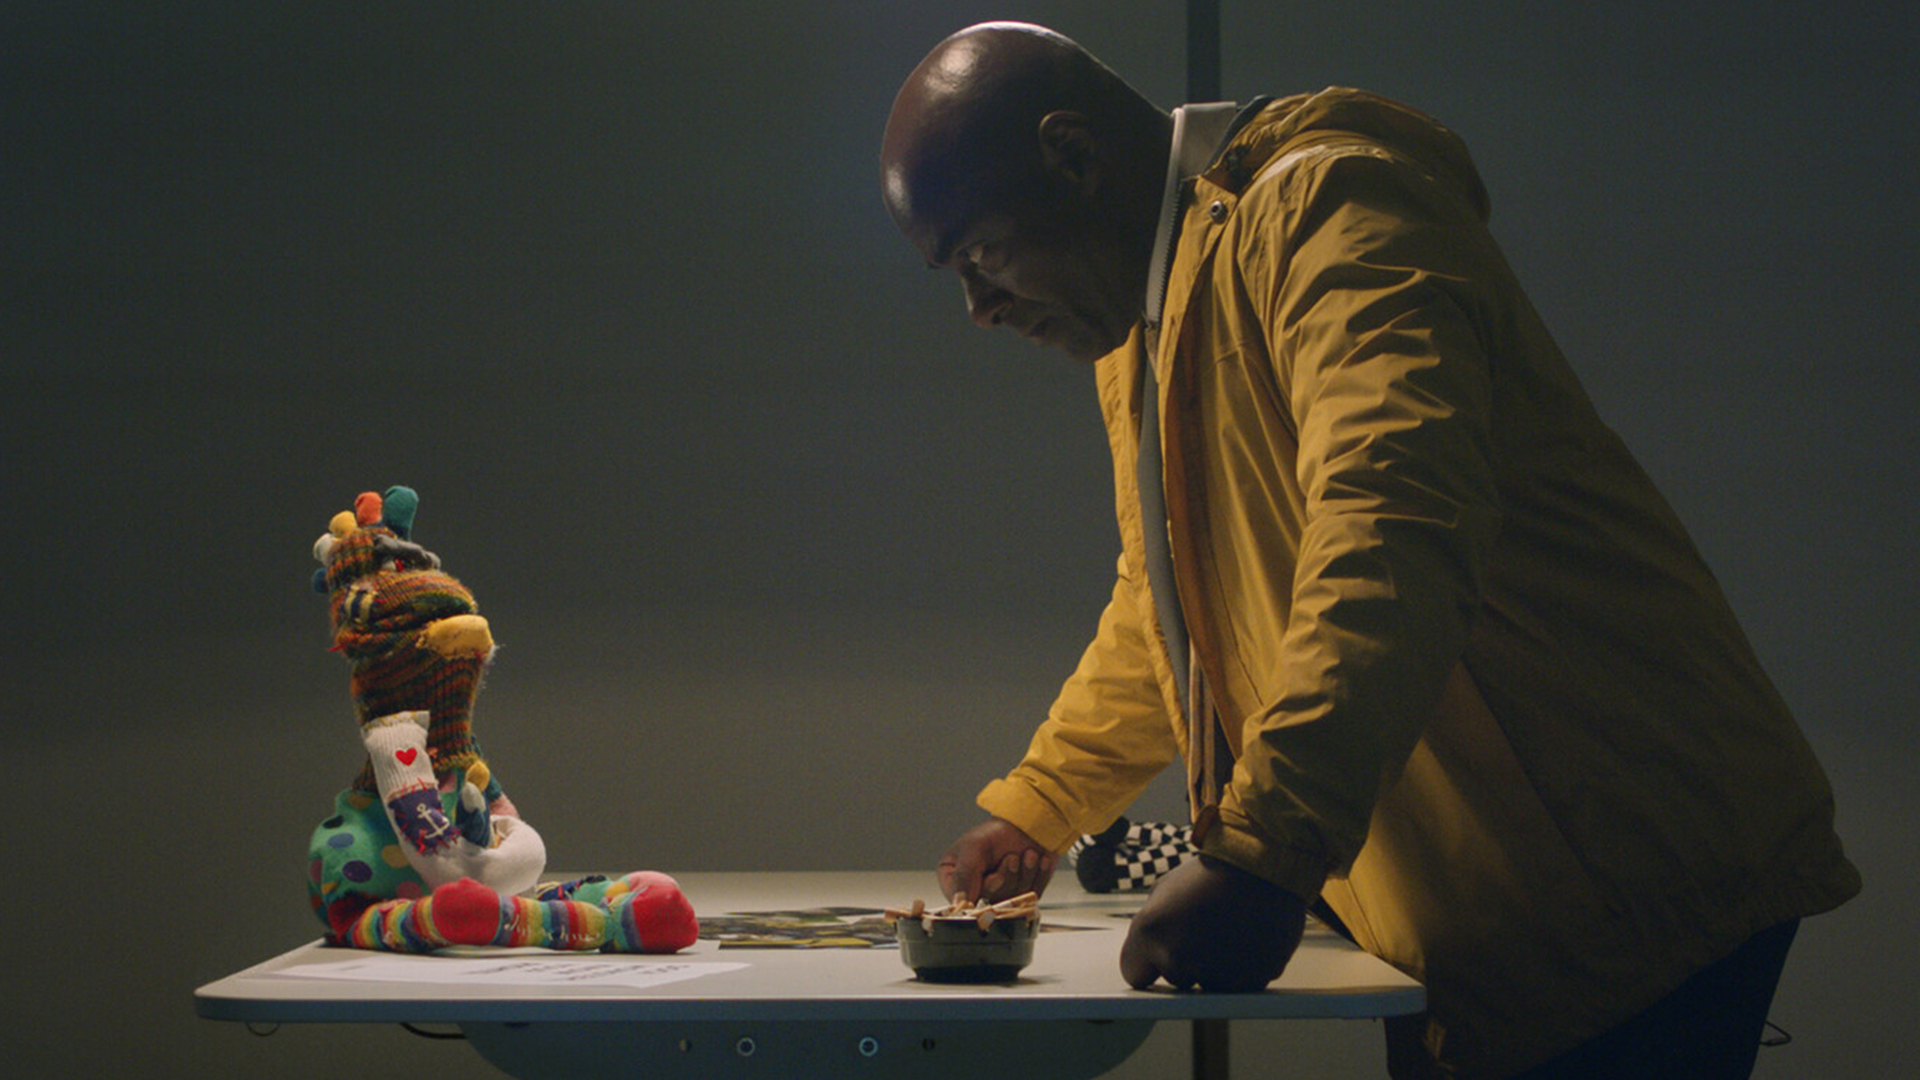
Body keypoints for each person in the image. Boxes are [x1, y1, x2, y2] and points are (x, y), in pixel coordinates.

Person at [879, 21, 1861, 1080]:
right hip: (1506, 891)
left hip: (1623, 875)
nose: (979, 309)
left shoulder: (1330, 211)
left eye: (981, 254)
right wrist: (1041, 805)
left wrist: (1265, 855)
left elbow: (1391, 526)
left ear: (1074, 157)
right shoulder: (1147, 324)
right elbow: (1174, 603)